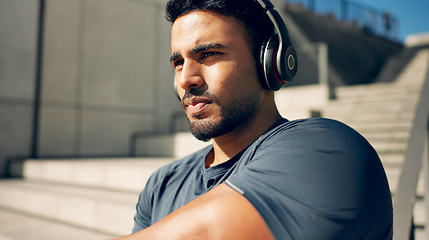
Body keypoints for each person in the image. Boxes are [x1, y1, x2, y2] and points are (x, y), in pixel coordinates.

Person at [114, 0, 393, 239]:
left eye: (208, 54)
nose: (186, 79)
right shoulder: (161, 185)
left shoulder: (331, 151)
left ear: (269, 61)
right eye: (178, 62)